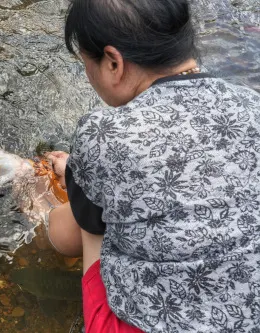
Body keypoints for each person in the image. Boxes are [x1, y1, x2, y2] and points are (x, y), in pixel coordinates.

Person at [45, 0, 260, 332]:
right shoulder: (252, 104)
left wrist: (73, 181)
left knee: (88, 224)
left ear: (113, 62)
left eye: (86, 63)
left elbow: (74, 235)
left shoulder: (104, 133)